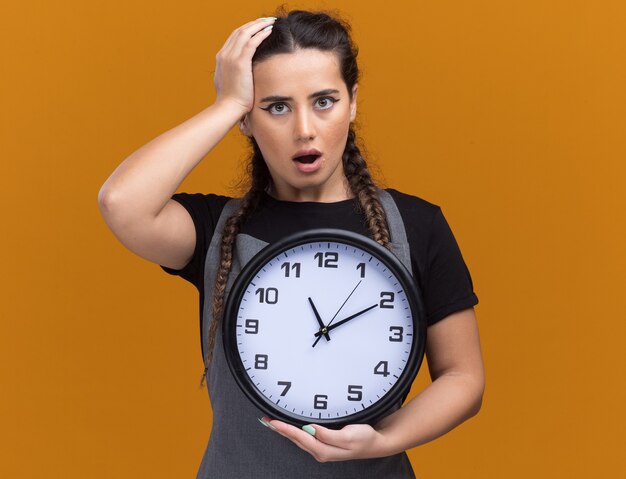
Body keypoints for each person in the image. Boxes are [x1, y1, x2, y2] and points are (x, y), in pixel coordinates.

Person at [98, 8, 484, 478]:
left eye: (324, 101)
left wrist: (382, 440)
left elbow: (464, 378)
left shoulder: (416, 224)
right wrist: (225, 105)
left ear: (353, 101)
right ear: (247, 117)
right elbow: (121, 202)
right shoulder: (217, 229)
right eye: (276, 106)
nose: (305, 128)